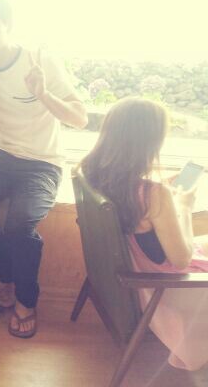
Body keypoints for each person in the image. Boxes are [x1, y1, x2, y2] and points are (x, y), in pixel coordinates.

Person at [0, 0, 88, 338]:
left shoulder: (37, 60)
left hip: (43, 162)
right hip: (3, 155)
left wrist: (43, 94)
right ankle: (12, 281)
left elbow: (80, 118)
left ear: (7, 25)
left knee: (19, 225)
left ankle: (25, 300)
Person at [81, 97, 208, 371]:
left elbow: (139, 205)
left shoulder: (93, 174)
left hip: (136, 274)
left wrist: (161, 192)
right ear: (149, 142)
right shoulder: (153, 194)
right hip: (167, 287)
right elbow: (182, 259)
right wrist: (184, 208)